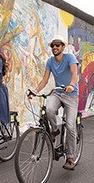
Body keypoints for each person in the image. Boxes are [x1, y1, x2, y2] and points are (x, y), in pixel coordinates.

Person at [32, 35, 79, 170]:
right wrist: (35, 91)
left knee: (70, 126)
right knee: (49, 110)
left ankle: (70, 157)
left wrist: (71, 85)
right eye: (52, 45)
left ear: (63, 46)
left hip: (71, 95)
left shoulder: (70, 57)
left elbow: (74, 73)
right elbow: (45, 79)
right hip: (58, 92)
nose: (54, 48)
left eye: (57, 45)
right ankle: (55, 130)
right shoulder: (50, 61)